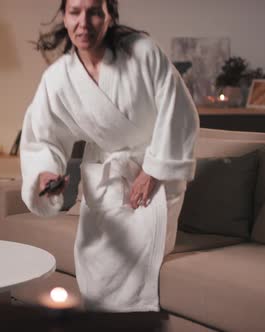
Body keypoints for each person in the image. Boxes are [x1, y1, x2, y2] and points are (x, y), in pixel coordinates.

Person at [20, 0, 199, 312]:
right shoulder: (58, 77)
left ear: (110, 16)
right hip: (105, 179)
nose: (83, 23)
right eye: (75, 12)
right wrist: (46, 174)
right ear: (64, 16)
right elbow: (43, 137)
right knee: (93, 258)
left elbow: (179, 110)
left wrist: (153, 171)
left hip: (156, 179)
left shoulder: (143, 53)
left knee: (136, 253)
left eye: (94, 12)